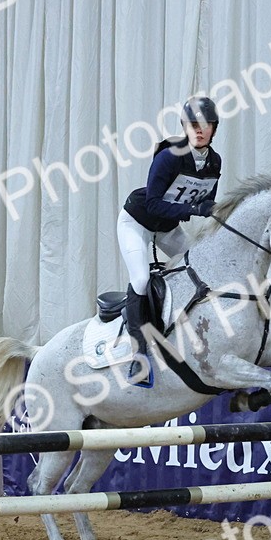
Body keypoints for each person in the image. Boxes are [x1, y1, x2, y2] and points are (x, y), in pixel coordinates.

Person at [117, 96, 222, 383]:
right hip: (136, 222)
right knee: (140, 279)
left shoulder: (214, 161)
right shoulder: (169, 157)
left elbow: (206, 201)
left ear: (214, 129)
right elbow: (153, 204)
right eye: (193, 124)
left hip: (167, 228)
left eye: (205, 125)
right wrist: (193, 210)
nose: (199, 130)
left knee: (202, 267)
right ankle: (139, 355)